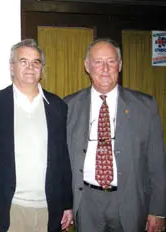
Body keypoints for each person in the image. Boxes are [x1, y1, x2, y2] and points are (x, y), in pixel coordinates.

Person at [64, 38, 166, 232]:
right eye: (98, 62)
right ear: (87, 66)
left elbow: (157, 163)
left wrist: (158, 211)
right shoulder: (69, 106)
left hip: (130, 200)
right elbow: (61, 161)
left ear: (119, 65)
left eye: (111, 61)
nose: (105, 68)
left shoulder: (144, 106)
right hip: (86, 201)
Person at [0, 39, 73, 232]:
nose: (30, 67)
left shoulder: (57, 106)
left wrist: (67, 203)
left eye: (36, 62)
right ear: (12, 67)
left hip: (49, 207)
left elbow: (63, 158)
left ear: (42, 68)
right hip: (9, 207)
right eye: (23, 61)